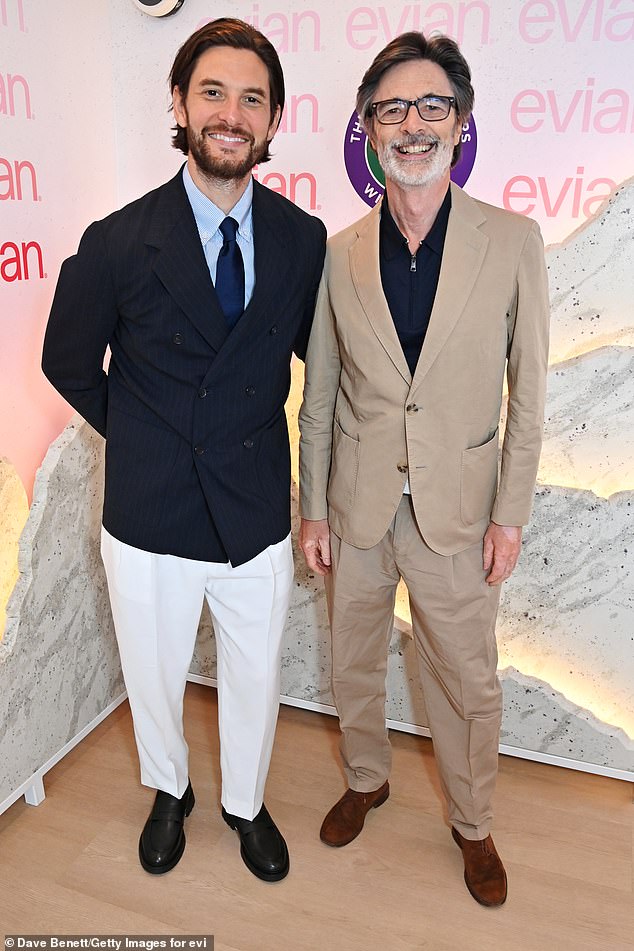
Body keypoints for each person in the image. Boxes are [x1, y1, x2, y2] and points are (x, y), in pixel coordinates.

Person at [42, 18, 326, 882]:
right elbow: (65, 361)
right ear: (178, 103)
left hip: (251, 505)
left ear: (274, 120)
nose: (231, 114)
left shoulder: (301, 237)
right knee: (154, 673)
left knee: (252, 676)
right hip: (148, 506)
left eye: (252, 98)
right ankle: (170, 791)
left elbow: (326, 357)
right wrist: (141, 435)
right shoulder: (119, 238)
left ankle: (245, 799)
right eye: (213, 92)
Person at [298, 31, 549, 907]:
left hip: (460, 512)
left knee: (466, 677)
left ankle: (472, 822)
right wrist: (314, 508)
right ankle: (366, 775)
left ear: (461, 121)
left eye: (431, 105)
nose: (413, 124)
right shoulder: (338, 252)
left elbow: (530, 392)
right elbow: (322, 389)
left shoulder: (513, 241)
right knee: (353, 658)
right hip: (357, 504)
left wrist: (509, 512)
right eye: (392, 109)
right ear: (368, 129)